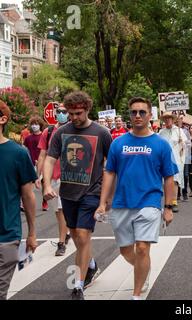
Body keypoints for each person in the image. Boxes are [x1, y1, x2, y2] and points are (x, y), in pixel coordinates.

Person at [95, 97, 177, 300]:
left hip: (149, 202)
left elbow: (169, 177)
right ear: (129, 115)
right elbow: (109, 173)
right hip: (121, 203)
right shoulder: (118, 143)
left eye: (142, 112)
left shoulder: (161, 144)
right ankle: (144, 268)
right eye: (134, 112)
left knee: (141, 248)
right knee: (125, 251)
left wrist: (168, 207)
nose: (138, 115)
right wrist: (102, 203)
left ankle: (136, 294)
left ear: (150, 115)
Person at [43, 91, 112, 300]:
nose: (73, 117)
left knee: (82, 236)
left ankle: (78, 286)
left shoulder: (102, 133)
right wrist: (46, 184)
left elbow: (112, 165)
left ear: (87, 109)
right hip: (68, 193)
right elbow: (49, 159)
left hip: (92, 192)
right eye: (70, 113)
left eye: (78, 113)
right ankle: (90, 264)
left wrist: (107, 197)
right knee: (76, 236)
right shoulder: (60, 132)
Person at [0, 101, 38, 300]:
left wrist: (32, 233)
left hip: (6, 236)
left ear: (3, 119)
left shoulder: (18, 154)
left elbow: (28, 196)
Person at [36, 104, 71, 256]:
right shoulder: (48, 131)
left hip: (69, 178)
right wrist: (39, 176)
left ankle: (61, 242)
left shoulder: (73, 129)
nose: (61, 114)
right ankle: (67, 231)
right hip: (52, 177)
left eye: (64, 111)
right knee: (58, 211)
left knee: (62, 210)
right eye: (59, 111)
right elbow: (43, 155)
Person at [159, 112, 187, 213]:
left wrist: (182, 143)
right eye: (165, 119)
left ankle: (174, 202)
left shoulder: (179, 131)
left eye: (169, 118)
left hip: (176, 159)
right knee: (165, 180)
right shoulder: (161, 132)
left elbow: (184, 146)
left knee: (175, 180)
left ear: (172, 119)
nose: (167, 120)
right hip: (165, 159)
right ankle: (167, 201)